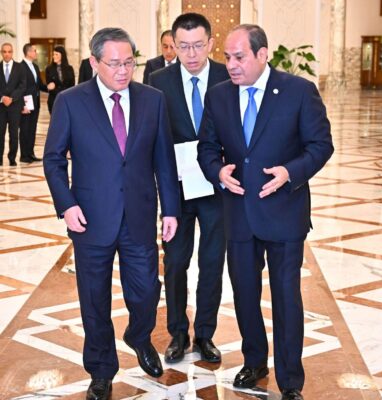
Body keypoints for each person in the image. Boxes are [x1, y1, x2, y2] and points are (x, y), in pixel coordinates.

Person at [197, 24, 334, 400]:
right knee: (244, 293)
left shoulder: (299, 91)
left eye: (239, 57)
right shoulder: (219, 95)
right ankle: (255, 362)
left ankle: (290, 381)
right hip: (239, 213)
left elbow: (321, 145)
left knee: (287, 297)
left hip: (285, 212)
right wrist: (217, 171)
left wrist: (291, 172)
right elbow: (206, 147)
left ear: (262, 54)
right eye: (227, 57)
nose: (231, 64)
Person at [43, 27, 180, 400]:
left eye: (129, 62)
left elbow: (164, 159)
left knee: (147, 290)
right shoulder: (71, 102)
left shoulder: (152, 100)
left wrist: (170, 209)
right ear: (94, 62)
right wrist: (67, 204)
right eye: (115, 63)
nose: (123, 71)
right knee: (94, 299)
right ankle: (101, 370)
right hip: (89, 218)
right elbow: (53, 159)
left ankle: (139, 335)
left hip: (139, 214)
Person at [149, 13, 229, 364]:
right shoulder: (158, 80)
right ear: (173, 45)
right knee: (175, 262)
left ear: (211, 43)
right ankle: (178, 333)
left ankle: (205, 334)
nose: (191, 54)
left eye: (198, 46)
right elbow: (154, 135)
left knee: (212, 262)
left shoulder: (227, 77)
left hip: (217, 189)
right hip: (177, 191)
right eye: (183, 47)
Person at [19, 43, 49, 163]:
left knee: (32, 129)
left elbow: (39, 84)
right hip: (26, 103)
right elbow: (19, 88)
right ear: (28, 52)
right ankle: (24, 155)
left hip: (35, 103)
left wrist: (48, 88)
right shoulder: (20, 67)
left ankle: (30, 153)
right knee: (24, 129)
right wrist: (22, 105)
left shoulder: (35, 67)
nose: (36, 53)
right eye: (34, 51)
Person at [0, 42, 26, 166]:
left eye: (9, 51)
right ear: (1, 53)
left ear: (12, 53)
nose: (7, 54)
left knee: (14, 134)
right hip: (1, 106)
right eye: (4, 51)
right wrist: (2, 97)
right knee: (0, 133)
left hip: (15, 106)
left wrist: (11, 98)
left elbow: (22, 85)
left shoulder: (20, 67)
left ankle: (12, 158)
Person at [45, 45, 75, 114]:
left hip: (67, 100)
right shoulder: (49, 69)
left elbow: (72, 85)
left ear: (62, 55)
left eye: (56, 54)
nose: (54, 56)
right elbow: (50, 85)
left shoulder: (69, 69)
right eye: (53, 54)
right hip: (54, 100)